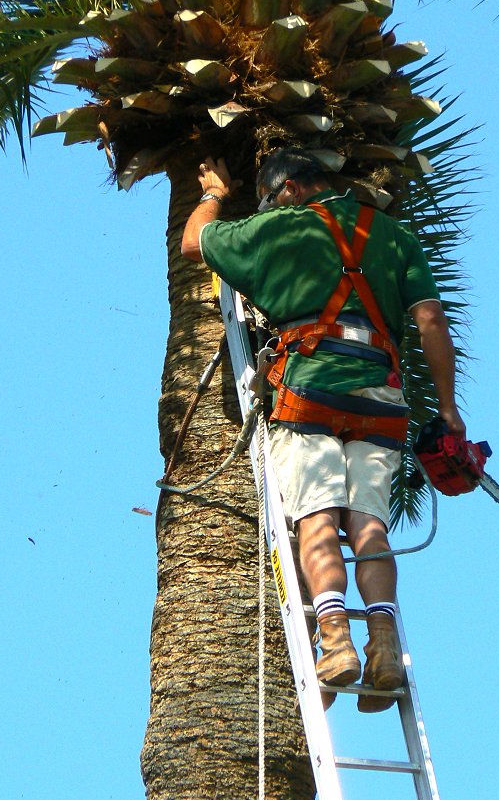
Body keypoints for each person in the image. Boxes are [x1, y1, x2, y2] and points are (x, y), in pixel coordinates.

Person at [181, 149, 465, 712]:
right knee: (369, 528)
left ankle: (334, 641)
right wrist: (450, 410)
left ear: (286, 189)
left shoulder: (279, 227)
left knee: (316, 520)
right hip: (381, 404)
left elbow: (196, 242)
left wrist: (214, 191)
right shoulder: (392, 235)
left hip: (308, 394)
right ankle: (383, 646)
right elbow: (431, 320)